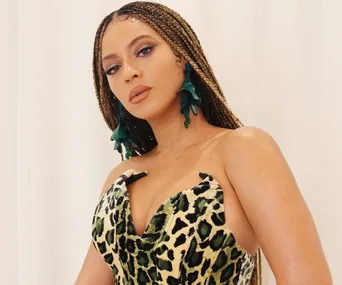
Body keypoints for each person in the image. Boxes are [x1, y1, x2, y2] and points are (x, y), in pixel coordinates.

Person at [75, 1, 332, 284]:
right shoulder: (121, 181)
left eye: (144, 50)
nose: (128, 72)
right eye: (112, 68)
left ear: (182, 55)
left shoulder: (244, 149)